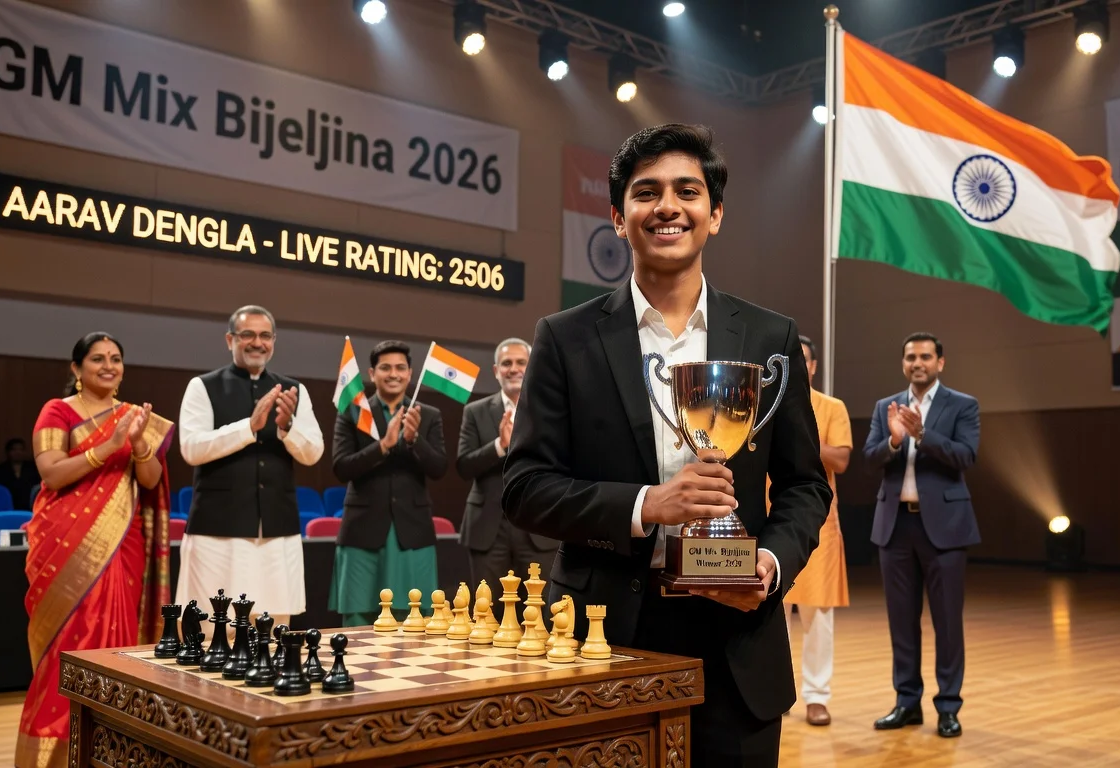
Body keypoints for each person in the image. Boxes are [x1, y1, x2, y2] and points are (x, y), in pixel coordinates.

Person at [503, 123, 830, 767]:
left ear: (715, 215)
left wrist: (767, 566)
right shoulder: (565, 338)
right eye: (646, 193)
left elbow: (805, 485)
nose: (668, 206)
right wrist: (647, 504)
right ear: (620, 219)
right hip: (606, 633)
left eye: (689, 190)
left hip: (737, 632)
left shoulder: (769, 335)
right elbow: (524, 487)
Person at [16, 332, 173, 768]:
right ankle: (56, 751)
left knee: (117, 643)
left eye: (116, 358)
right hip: (63, 542)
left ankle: (114, 745)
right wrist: (108, 446)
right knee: (66, 646)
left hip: (122, 544)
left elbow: (149, 480)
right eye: (98, 358)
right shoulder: (58, 410)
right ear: (76, 368)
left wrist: (140, 443)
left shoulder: (134, 416)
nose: (109, 365)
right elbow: (51, 473)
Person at [864, 332, 981, 739]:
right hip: (896, 527)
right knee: (902, 622)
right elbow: (869, 456)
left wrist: (922, 435)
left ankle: (948, 707)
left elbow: (966, 456)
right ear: (903, 363)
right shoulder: (885, 407)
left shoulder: (963, 405)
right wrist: (895, 439)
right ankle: (906, 702)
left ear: (940, 363)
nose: (918, 362)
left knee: (947, 622)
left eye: (926, 356)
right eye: (911, 357)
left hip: (945, 530)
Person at [176, 305, 324, 624]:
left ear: (274, 341)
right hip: (217, 535)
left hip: (276, 535)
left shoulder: (294, 389)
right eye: (248, 335)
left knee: (273, 635)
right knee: (212, 633)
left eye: (265, 335)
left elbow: (313, 453)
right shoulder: (202, 386)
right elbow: (191, 448)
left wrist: (287, 428)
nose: (257, 342)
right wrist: (248, 427)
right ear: (230, 339)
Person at [330, 340, 447, 626]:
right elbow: (341, 468)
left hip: (412, 533)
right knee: (359, 616)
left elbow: (439, 469)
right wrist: (383, 445)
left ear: (410, 374)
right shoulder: (353, 411)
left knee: (415, 618)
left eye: (400, 368)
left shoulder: (428, 415)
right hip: (362, 532)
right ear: (372, 373)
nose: (393, 374)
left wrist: (413, 440)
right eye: (385, 368)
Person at [776, 334, 851, 727]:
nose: (799, 366)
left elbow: (840, 458)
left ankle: (817, 696)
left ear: (814, 366)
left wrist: (802, 438)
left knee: (817, 615)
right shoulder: (769, 401)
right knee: (773, 613)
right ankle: (780, 690)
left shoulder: (831, 407)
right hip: (771, 519)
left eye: (803, 360)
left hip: (818, 523)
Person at [456, 338, 558, 590]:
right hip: (488, 530)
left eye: (521, 362)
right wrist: (499, 447)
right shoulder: (475, 411)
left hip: (538, 528)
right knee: (486, 615)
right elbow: (464, 466)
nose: (513, 369)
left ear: (532, 365)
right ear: (496, 371)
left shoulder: (552, 410)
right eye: (506, 363)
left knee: (538, 616)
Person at [0, 438, 42, 510]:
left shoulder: (34, 468)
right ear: (7, 452)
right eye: (14, 450)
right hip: (5, 508)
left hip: (30, 507)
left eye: (21, 450)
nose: (18, 452)